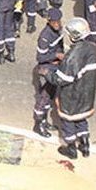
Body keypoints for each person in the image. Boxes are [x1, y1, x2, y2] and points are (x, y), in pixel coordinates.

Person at [39, 17, 96, 159]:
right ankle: (85, 146)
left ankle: (71, 149)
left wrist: (47, 72)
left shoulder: (72, 57)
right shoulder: (93, 48)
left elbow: (61, 79)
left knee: (68, 122)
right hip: (87, 94)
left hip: (71, 96)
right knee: (81, 119)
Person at [32, 8, 64, 138]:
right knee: (43, 99)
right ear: (49, 21)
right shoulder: (45, 36)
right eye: (54, 22)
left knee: (50, 97)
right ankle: (38, 125)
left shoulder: (58, 31)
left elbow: (60, 45)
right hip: (46, 70)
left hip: (55, 68)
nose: (57, 24)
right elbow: (40, 57)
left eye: (58, 21)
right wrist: (56, 55)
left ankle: (44, 122)